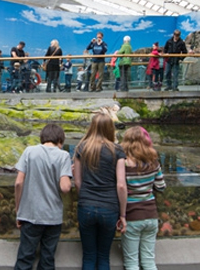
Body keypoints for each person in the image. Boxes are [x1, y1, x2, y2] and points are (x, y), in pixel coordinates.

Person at [13, 124, 72, 270]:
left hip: (30, 214)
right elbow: (65, 188)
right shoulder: (63, 155)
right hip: (52, 217)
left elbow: (18, 183)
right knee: (47, 259)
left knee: (25, 257)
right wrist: (68, 173)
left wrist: (18, 210)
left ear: (43, 137)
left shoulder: (29, 151)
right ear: (60, 139)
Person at [73, 113, 127, 270]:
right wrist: (122, 215)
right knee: (104, 256)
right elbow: (121, 185)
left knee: (89, 256)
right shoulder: (117, 151)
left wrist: (84, 199)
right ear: (110, 128)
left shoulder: (81, 148)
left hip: (86, 206)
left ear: (92, 127)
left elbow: (77, 181)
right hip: (109, 208)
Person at [120, 126, 165, 270]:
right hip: (151, 216)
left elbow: (120, 187)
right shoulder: (153, 162)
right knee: (149, 260)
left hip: (132, 217)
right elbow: (161, 186)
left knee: (132, 262)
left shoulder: (124, 164)